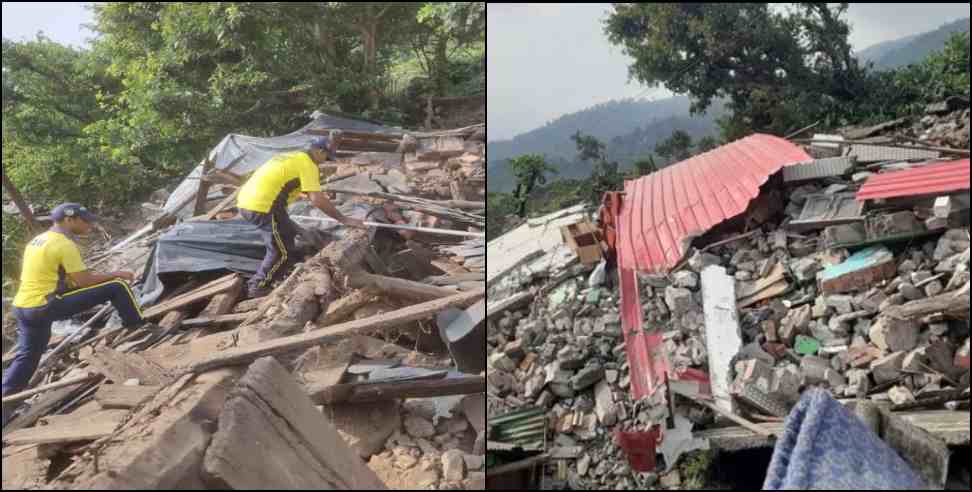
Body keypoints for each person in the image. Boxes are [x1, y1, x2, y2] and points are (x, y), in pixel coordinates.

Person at [2, 204, 150, 399]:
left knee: (27, 357)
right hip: (45, 304)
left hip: (23, 306)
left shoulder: (38, 241)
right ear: (69, 219)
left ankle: (6, 400)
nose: (89, 224)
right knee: (117, 286)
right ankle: (138, 327)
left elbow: (66, 279)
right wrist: (117, 273)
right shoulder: (63, 244)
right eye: (85, 220)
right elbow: (84, 281)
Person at [238, 136, 366, 299]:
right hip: (264, 206)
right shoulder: (308, 164)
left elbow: (284, 180)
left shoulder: (291, 156)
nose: (325, 162)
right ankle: (258, 286)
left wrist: (307, 192)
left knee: (289, 234)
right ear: (319, 151)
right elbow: (317, 199)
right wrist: (344, 219)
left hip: (248, 202)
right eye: (326, 157)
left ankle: (280, 272)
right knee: (282, 251)